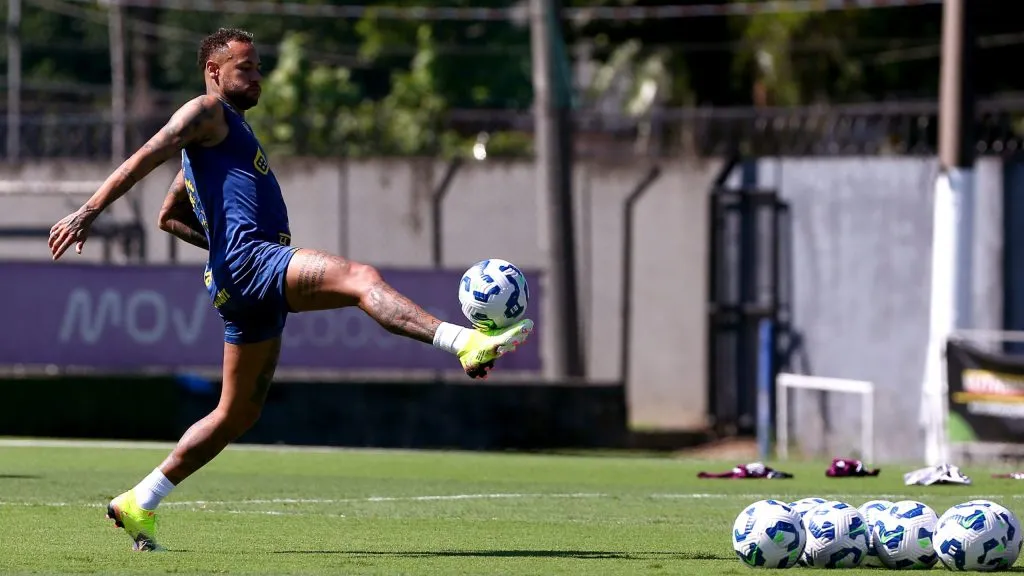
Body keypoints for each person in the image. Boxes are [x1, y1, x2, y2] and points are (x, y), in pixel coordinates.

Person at [47, 27, 533, 552]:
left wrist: (218, 252)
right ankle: (462, 343)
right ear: (214, 72)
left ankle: (140, 501)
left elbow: (170, 217)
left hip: (238, 277)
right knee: (360, 279)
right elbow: (149, 150)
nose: (258, 77)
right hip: (254, 262)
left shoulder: (218, 142)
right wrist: (89, 211)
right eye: (246, 68)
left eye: (258, 67)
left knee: (238, 413)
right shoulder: (205, 114)